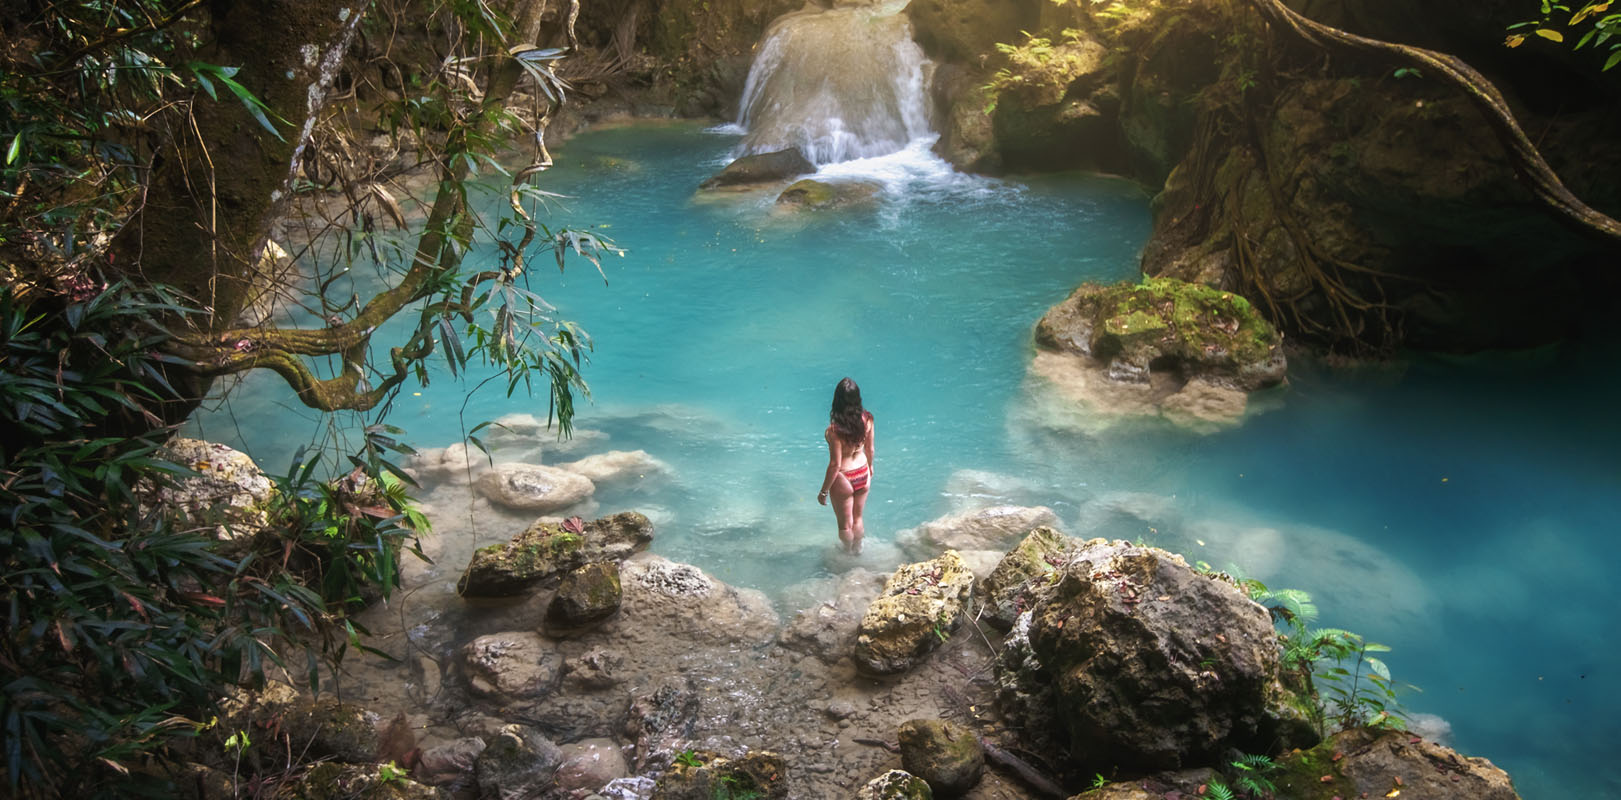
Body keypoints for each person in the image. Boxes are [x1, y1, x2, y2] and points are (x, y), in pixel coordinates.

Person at [818, 377, 875, 554]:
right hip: (863, 471)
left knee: (845, 525)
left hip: (844, 477)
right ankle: (858, 551)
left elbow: (835, 465)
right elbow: (870, 449)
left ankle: (846, 554)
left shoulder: (834, 431)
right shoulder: (868, 419)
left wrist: (823, 491)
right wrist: (871, 468)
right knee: (858, 518)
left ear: (837, 401)